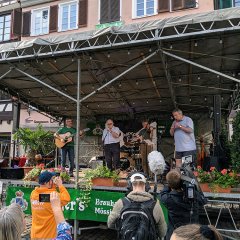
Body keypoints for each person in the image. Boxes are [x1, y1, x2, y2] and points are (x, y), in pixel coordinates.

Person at [108, 173, 167, 239]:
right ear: (146, 186)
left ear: (130, 186)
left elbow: (110, 224)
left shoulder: (121, 203)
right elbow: (163, 232)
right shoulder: (155, 205)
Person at [159, 170, 206, 240]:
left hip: (175, 236)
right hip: (193, 235)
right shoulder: (194, 196)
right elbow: (203, 200)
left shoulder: (167, 199)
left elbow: (162, 193)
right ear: (181, 181)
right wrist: (194, 187)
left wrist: (169, 185)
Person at [30, 171, 71, 239]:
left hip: (35, 235)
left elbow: (45, 196)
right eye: (52, 180)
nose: (54, 181)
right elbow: (66, 198)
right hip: (48, 236)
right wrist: (60, 185)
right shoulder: (51, 196)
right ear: (47, 182)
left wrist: (52, 186)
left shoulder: (34, 194)